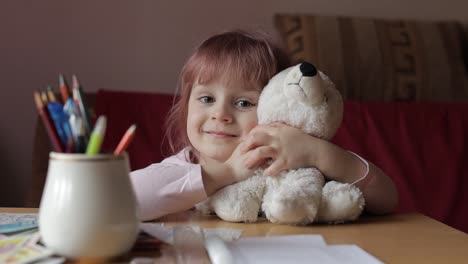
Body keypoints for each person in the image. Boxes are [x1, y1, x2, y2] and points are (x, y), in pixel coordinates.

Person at [130, 29, 398, 221]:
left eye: (244, 103)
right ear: (187, 105)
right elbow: (123, 201)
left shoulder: (292, 163)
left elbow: (386, 199)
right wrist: (227, 172)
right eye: (207, 98)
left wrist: (318, 153)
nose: (220, 114)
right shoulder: (184, 166)